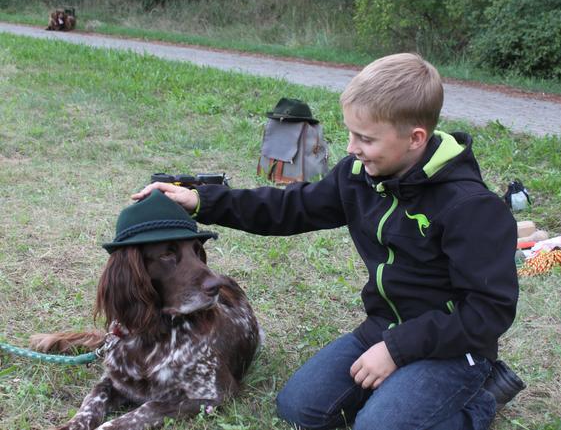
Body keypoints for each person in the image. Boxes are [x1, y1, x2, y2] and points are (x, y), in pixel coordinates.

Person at [132, 53, 524, 430]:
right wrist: (202, 199)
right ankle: (402, 392)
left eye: (365, 139)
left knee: (378, 426)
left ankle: (482, 400)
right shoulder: (358, 176)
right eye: (352, 133)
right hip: (383, 328)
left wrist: (397, 350)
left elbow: (489, 312)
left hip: (456, 350)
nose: (352, 148)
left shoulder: (472, 208)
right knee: (298, 409)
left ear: (415, 138)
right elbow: (291, 206)